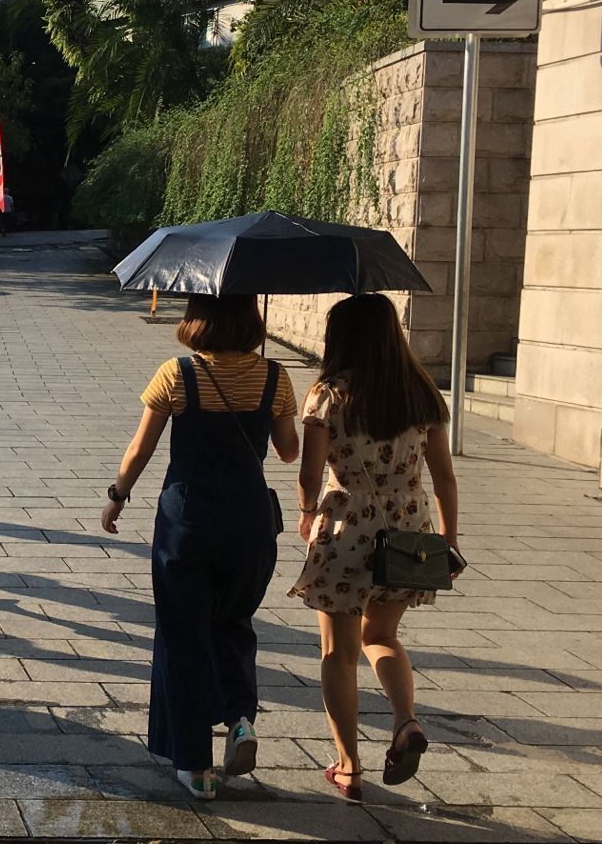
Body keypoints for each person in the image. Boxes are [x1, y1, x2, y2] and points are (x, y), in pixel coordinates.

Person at [101, 295, 299, 801]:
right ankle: (240, 718)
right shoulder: (275, 377)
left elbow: (141, 448)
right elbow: (288, 450)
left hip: (187, 520)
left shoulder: (176, 374)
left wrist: (117, 497)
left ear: (196, 319)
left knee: (183, 636)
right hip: (250, 523)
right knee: (234, 624)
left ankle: (195, 766)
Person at [292, 293, 460, 801]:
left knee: (338, 652)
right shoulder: (421, 393)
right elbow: (444, 477)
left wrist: (306, 512)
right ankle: (406, 721)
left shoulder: (328, 395)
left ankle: (349, 767)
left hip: (346, 526)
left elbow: (310, 472)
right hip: (409, 528)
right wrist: (449, 540)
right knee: (382, 634)